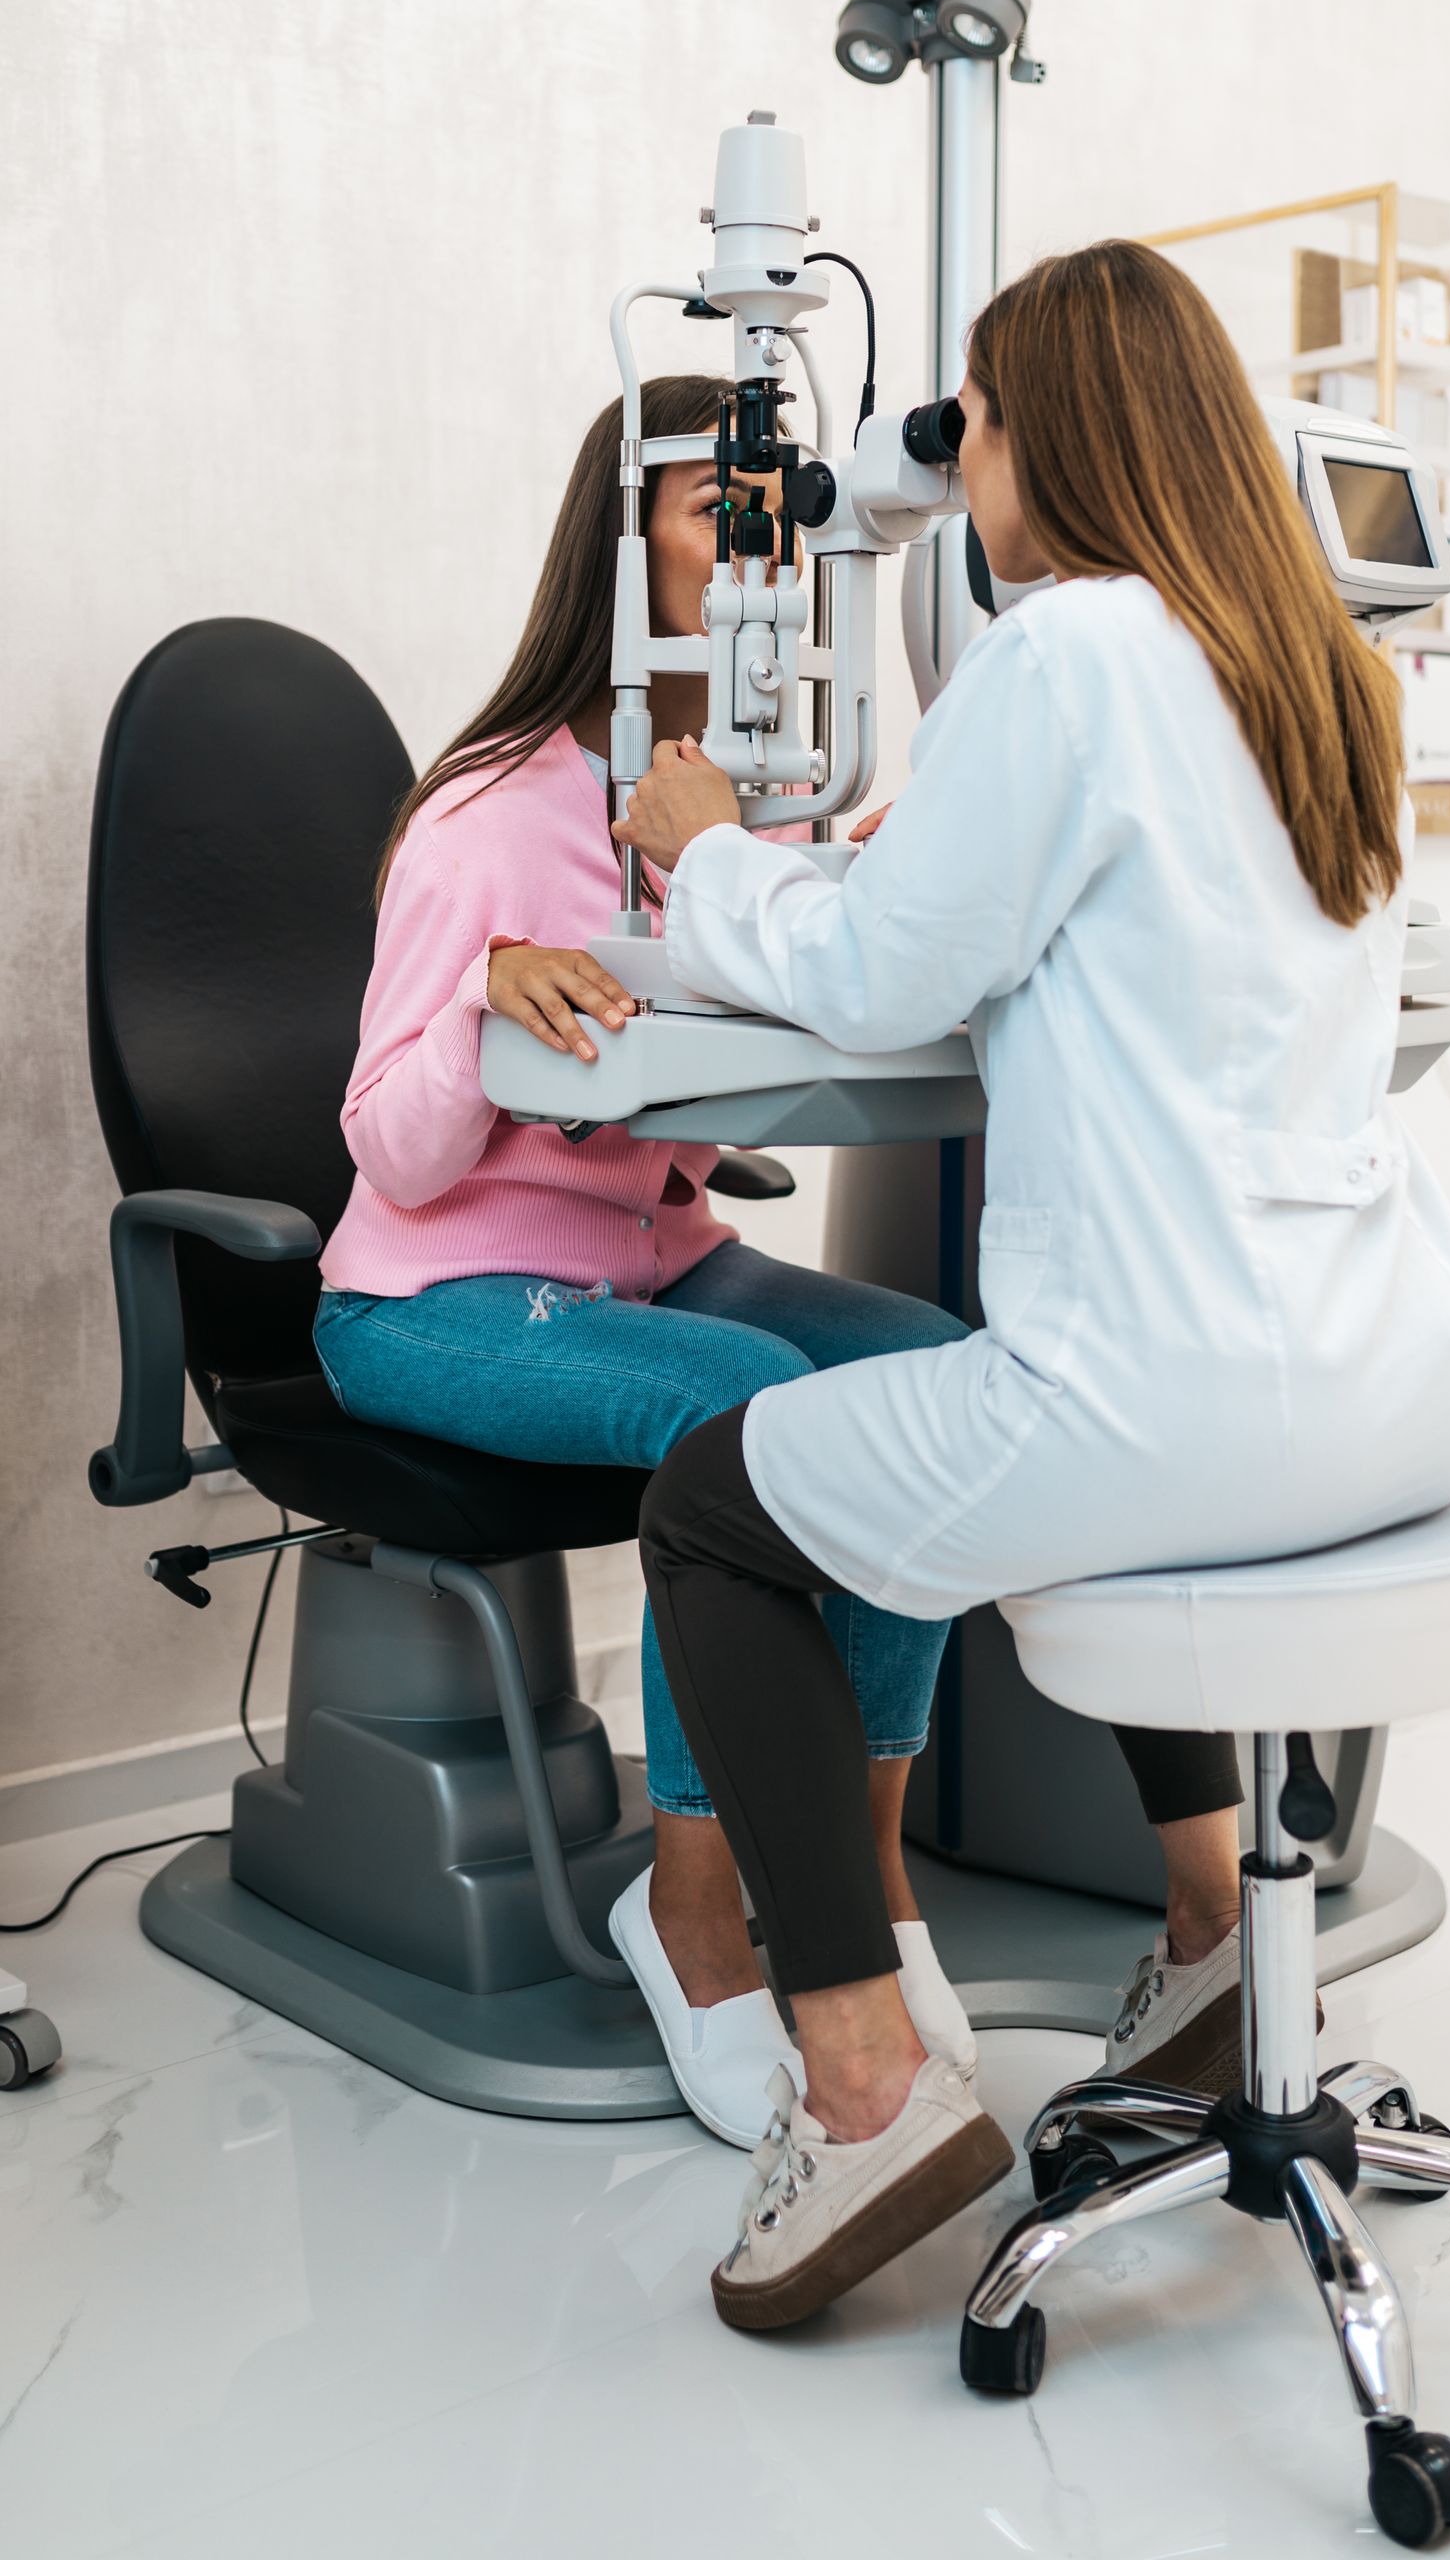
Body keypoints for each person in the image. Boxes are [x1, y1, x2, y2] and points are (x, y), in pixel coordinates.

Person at [614, 240, 1450, 2333]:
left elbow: (880, 975)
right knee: (941, 1471)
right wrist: (924, 848)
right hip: (1397, 1384)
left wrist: (712, 839)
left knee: (717, 1504)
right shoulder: (1314, 671)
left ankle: (863, 2068)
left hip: (1174, 1404)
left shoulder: (1076, 648)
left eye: (976, 421)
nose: (964, 460)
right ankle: (1212, 1933)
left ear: (1045, 437)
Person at [312, 374, 974, 2148]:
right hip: (432, 1300)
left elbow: (718, 1053)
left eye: (775, 518)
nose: (761, 550)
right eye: (715, 514)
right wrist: (481, 998)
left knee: (924, 1372)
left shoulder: (727, 799)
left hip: (652, 1260)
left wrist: (854, 892)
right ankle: (688, 1909)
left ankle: (869, 1879)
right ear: (623, 544)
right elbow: (385, 1141)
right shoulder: (487, 809)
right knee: (747, 1415)